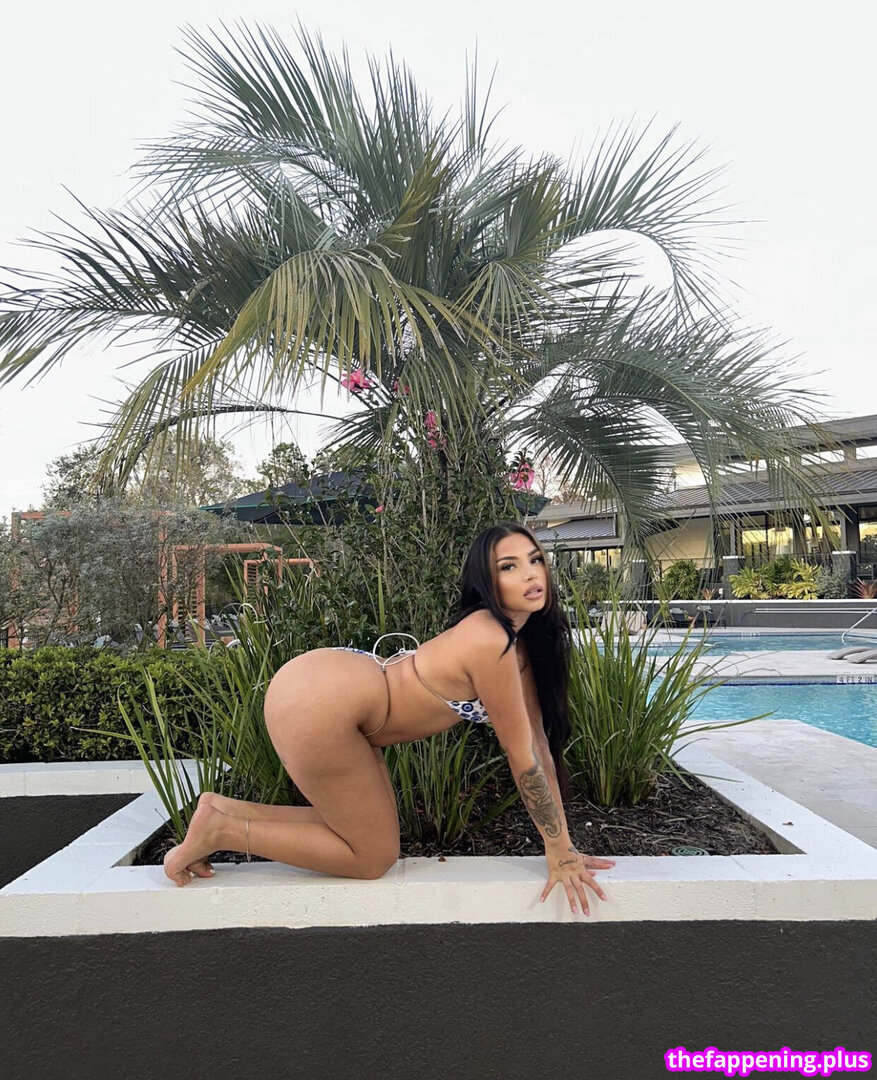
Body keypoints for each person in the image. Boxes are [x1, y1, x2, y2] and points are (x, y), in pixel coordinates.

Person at [164, 523, 615, 915]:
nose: (531, 573)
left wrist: (565, 847)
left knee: (363, 833)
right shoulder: (490, 640)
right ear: (487, 581)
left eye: (535, 560)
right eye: (509, 566)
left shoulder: (515, 642)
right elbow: (521, 757)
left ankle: (223, 813)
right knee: (372, 857)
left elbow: (537, 745)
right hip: (322, 704)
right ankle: (224, 831)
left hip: (336, 688)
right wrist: (558, 852)